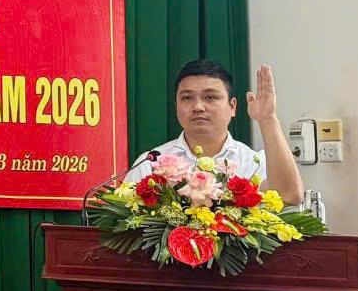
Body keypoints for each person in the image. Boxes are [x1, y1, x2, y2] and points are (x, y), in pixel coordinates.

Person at [125, 59, 303, 206]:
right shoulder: (150, 163)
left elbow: (289, 196)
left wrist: (267, 119)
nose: (198, 107)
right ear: (176, 106)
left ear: (232, 107)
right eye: (187, 98)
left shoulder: (253, 163)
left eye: (210, 97)